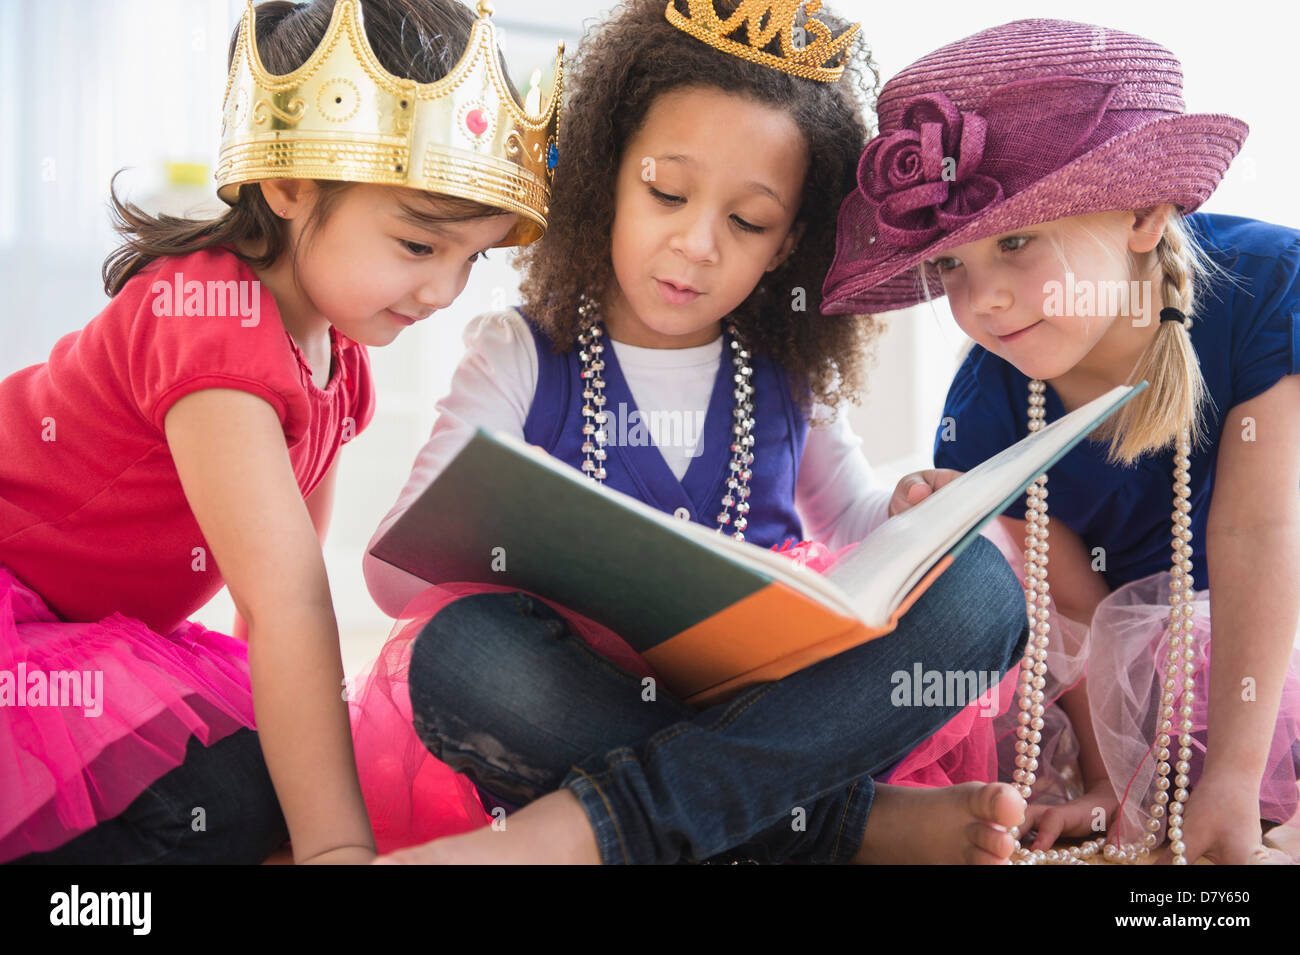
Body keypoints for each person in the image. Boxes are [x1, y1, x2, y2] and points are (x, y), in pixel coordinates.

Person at [359, 0, 1030, 866]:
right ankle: (846, 826)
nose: (697, 242)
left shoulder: (785, 377)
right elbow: (393, 574)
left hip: (778, 694)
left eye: (747, 222)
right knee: (466, 657)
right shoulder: (520, 353)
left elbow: (859, 529)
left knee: (980, 589)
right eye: (667, 193)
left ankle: (595, 828)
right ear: (608, 179)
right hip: (590, 692)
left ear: (788, 243)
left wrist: (912, 514)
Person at [1, 0, 560, 864]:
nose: (446, 291)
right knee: (235, 803)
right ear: (291, 186)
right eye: (418, 245)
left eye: (471, 258)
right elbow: (285, 602)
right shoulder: (206, 315)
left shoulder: (343, 366)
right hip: (18, 605)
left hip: (90, 626)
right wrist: (336, 850)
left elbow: (279, 602)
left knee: (261, 780)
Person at [823, 19, 1300, 864]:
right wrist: (1115, 785)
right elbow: (1065, 604)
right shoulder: (990, 398)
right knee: (979, 561)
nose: (985, 303)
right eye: (952, 267)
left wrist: (1230, 775)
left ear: (1146, 213)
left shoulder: (1268, 285)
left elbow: (1262, 531)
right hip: (1128, 687)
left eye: (1014, 243)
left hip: (1271, 636)